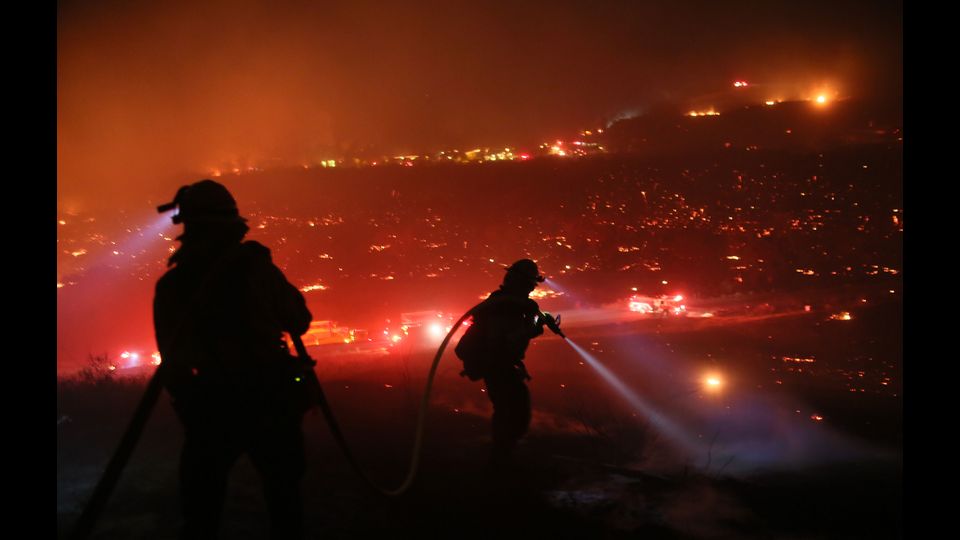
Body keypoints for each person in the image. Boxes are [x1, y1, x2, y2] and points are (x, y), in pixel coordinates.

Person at [152, 180, 314, 540]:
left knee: (201, 513)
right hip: (270, 401)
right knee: (285, 504)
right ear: (232, 224)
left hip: (211, 408)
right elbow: (299, 320)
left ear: (188, 226)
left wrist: (191, 407)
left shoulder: (171, 287)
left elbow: (173, 365)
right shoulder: (257, 270)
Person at [466, 259, 551, 468]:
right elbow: (507, 340)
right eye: (531, 283)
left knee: (510, 412)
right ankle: (501, 462)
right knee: (513, 413)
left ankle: (503, 457)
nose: (533, 287)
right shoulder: (505, 306)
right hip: (498, 367)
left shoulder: (507, 303)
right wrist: (535, 328)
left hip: (499, 366)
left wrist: (533, 325)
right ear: (520, 282)